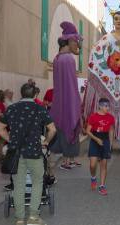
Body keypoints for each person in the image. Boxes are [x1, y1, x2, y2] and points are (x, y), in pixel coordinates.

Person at [0, 83, 56, 225]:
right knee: (37, 182)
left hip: (16, 152)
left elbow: (0, 128)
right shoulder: (39, 108)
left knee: (18, 185)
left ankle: (20, 218)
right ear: (35, 95)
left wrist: (11, 140)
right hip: (34, 152)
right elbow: (52, 129)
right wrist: (46, 141)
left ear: (21, 94)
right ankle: (33, 217)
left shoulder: (11, 108)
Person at [84, 11, 120, 143]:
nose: (119, 21)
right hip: (109, 78)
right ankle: (107, 138)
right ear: (113, 21)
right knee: (108, 111)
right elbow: (96, 53)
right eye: (116, 19)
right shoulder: (106, 38)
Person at [49, 21, 83, 170]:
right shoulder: (68, 59)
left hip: (60, 104)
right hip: (69, 104)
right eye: (76, 41)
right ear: (69, 40)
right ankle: (66, 161)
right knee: (71, 128)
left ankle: (69, 159)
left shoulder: (58, 59)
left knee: (65, 130)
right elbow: (71, 87)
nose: (78, 45)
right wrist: (76, 105)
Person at [86, 98, 115, 196]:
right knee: (92, 165)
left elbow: (111, 130)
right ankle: (93, 177)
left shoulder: (111, 117)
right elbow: (87, 131)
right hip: (95, 140)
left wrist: (110, 144)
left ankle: (102, 186)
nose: (108, 108)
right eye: (106, 106)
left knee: (104, 164)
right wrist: (96, 139)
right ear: (100, 106)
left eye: (108, 106)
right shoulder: (93, 117)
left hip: (105, 141)